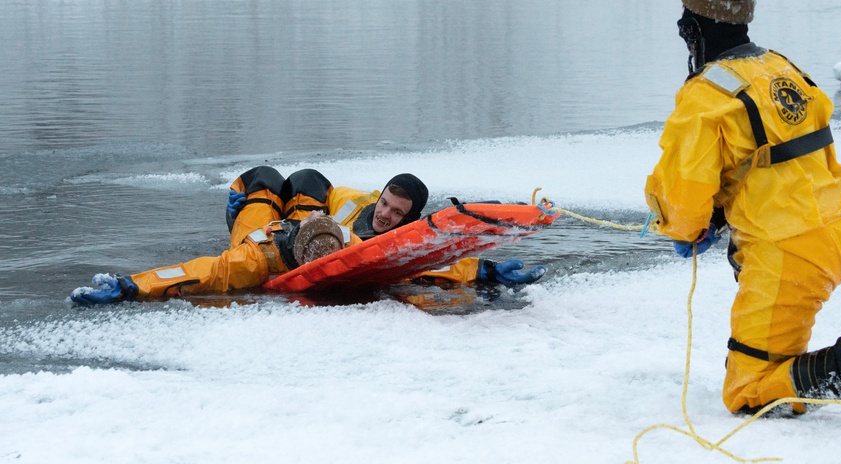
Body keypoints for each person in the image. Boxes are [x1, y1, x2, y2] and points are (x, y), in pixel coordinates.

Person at [643, 0, 841, 436]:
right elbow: (776, 156)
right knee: (774, 346)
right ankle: (790, 355)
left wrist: (685, 227)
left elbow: (684, 189)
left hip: (792, 248)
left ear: (698, 29)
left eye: (686, 29)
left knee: (747, 390)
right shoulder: (780, 66)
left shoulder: (704, 96)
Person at [70, 166, 545, 303]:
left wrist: (481, 270)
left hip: (285, 241)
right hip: (263, 239)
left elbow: (423, 262)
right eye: (383, 205)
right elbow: (202, 272)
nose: (384, 217)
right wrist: (133, 284)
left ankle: (261, 199)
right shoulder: (261, 257)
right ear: (378, 198)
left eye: (396, 214)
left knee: (274, 185)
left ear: (408, 217)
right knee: (282, 179)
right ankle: (245, 200)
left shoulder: (383, 241)